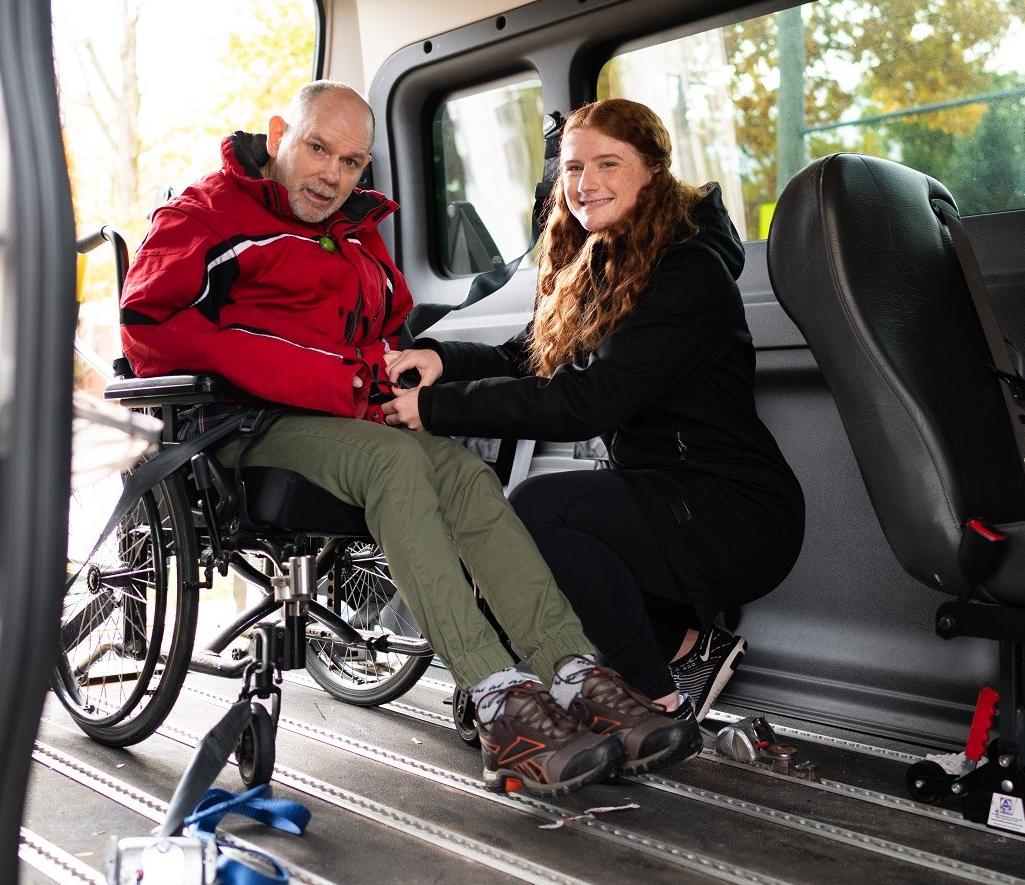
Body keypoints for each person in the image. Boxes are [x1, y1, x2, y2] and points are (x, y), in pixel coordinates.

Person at [119, 81, 698, 793]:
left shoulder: (353, 230)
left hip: (342, 421)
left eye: (354, 162)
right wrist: (331, 378)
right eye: (317, 148)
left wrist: (403, 373)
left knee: (461, 471)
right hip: (241, 427)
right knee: (396, 462)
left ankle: (575, 673)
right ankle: (498, 699)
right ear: (278, 135)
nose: (333, 174)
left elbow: (379, 335)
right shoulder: (206, 214)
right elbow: (149, 327)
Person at [382, 98, 806, 724]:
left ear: (654, 173)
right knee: (532, 548)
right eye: (574, 168)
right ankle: (690, 646)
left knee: (537, 509)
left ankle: (654, 703)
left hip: (735, 511)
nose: (585, 184)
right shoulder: (607, 260)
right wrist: (444, 359)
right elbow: (534, 358)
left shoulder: (688, 273)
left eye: (608, 164)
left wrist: (440, 409)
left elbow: (587, 401)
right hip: (668, 497)